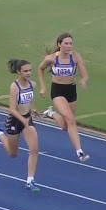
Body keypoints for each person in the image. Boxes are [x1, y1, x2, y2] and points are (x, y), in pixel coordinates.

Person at [37, 32, 90, 162]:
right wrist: (43, 87)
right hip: (58, 91)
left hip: (71, 90)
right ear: (59, 44)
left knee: (66, 125)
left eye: (71, 43)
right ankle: (80, 152)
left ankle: (51, 113)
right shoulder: (51, 58)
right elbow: (40, 69)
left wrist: (84, 80)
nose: (69, 46)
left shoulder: (76, 56)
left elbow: (84, 73)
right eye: (66, 43)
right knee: (70, 119)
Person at [0, 58, 41, 192]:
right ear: (19, 72)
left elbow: (31, 99)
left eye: (30, 70)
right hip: (14, 121)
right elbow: (12, 109)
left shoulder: (32, 84)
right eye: (25, 71)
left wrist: (33, 110)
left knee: (34, 150)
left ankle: (30, 181)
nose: (28, 73)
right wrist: (22, 119)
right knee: (12, 154)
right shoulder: (14, 87)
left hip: (27, 120)